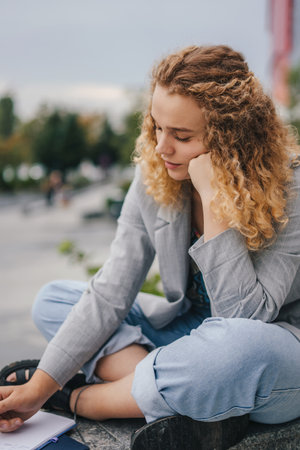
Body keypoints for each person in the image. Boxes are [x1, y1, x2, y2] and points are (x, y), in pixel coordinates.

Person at [1, 45, 300, 448]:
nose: (161, 147)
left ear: (232, 138)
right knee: (53, 300)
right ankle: (184, 398)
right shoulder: (157, 175)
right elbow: (110, 291)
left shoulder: (291, 189)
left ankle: (84, 399)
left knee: (233, 354)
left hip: (269, 351)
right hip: (187, 338)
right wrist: (39, 383)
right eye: (157, 127)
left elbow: (242, 323)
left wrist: (214, 200)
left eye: (181, 135)